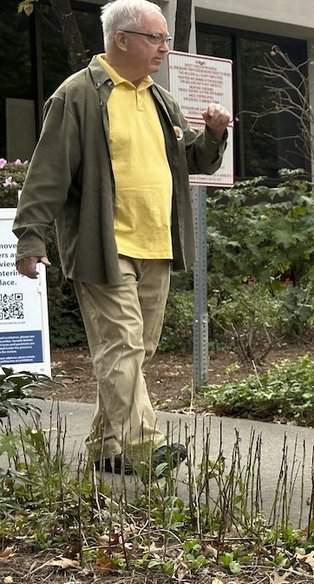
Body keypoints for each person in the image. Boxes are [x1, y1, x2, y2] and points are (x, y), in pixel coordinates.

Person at [13, 0, 230, 476]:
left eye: (166, 39)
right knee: (123, 348)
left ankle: (106, 447)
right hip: (103, 246)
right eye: (156, 38)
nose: (164, 48)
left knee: (135, 351)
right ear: (122, 39)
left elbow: (193, 163)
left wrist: (213, 135)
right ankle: (144, 446)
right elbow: (47, 173)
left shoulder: (160, 99)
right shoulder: (77, 96)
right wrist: (31, 237)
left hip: (158, 245)